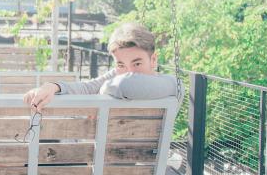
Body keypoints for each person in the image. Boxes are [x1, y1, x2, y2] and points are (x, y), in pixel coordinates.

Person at [23, 22, 183, 111]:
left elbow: (125, 84)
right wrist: (53, 86)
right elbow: (86, 87)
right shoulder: (116, 76)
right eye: (121, 64)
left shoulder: (170, 84)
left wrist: (102, 93)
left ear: (153, 60)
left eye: (137, 63)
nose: (129, 71)